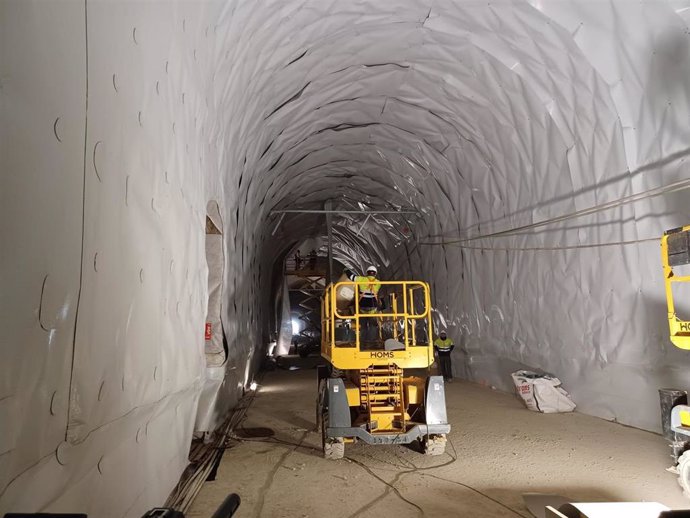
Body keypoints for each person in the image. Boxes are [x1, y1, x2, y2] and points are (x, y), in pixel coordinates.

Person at [344, 266, 382, 344]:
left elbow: (351, 277)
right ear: (375, 273)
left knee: (363, 325)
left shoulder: (361, 279)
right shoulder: (378, 283)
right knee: (373, 325)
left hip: (363, 307)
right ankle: (373, 341)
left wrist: (346, 270)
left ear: (367, 273)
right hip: (373, 308)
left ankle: (363, 342)